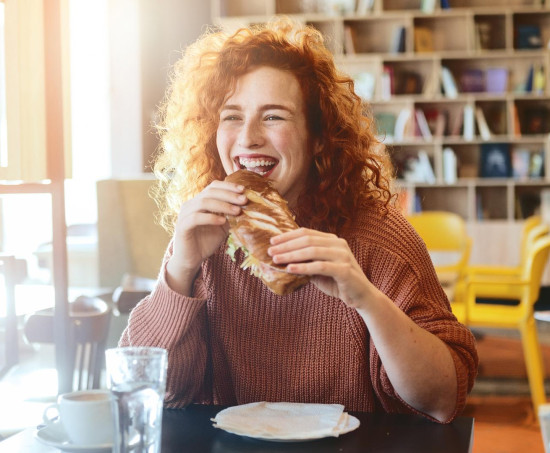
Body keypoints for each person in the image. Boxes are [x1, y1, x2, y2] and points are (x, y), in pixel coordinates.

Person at [120, 17, 478, 424]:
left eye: (273, 116)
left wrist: (365, 298)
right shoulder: (204, 234)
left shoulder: (379, 238)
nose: (249, 137)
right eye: (232, 116)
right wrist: (179, 270)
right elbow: (148, 391)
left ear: (319, 136)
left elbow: (443, 398)